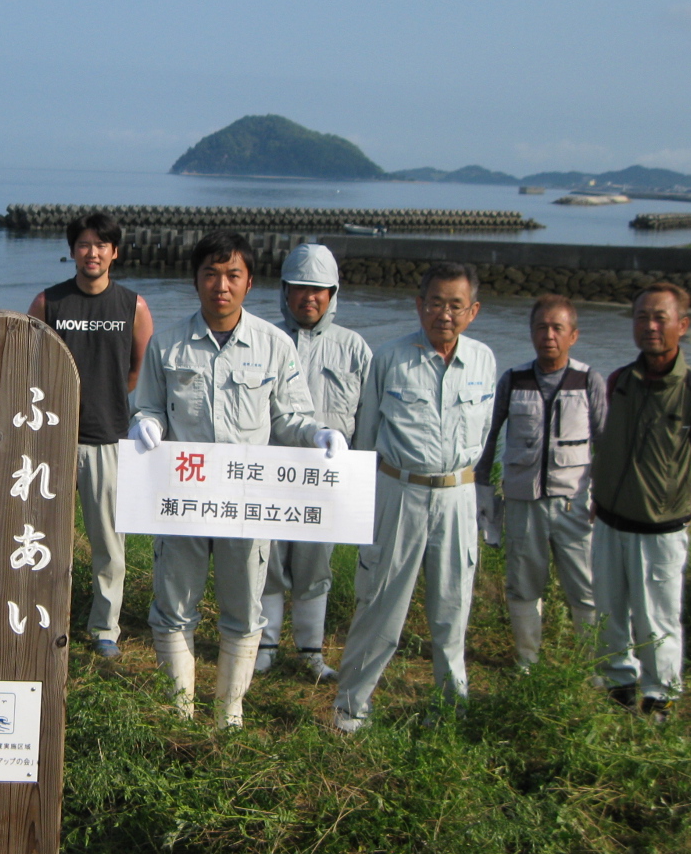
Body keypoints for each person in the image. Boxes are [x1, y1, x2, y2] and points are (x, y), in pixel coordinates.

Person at [130, 230, 346, 728]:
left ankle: (230, 712)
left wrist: (319, 433)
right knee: (173, 606)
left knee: (245, 608)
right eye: (211, 274)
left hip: (246, 500)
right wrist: (148, 424)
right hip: (183, 498)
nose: (220, 286)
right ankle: (179, 712)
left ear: (250, 282)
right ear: (196, 281)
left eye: (232, 275)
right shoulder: (167, 345)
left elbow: (290, 417)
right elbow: (149, 407)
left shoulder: (274, 346)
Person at [332, 262, 496, 734]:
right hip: (399, 493)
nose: (444, 314)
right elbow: (366, 438)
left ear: (473, 311)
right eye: (435, 302)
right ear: (418, 305)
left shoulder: (484, 361)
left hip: (458, 497)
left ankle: (450, 708)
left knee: (452, 610)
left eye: (455, 305)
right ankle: (350, 707)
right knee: (381, 604)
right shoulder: (389, 358)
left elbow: (484, 433)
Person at [591, 282, 691, 723]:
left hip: (661, 531)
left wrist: (682, 514)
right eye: (642, 316)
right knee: (608, 613)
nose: (649, 326)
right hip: (608, 522)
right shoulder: (619, 382)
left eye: (659, 318)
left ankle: (660, 697)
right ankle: (618, 687)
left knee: (657, 620)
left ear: (681, 326)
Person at [29, 210, 153, 658]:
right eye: (84, 244)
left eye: (101, 245)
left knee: (109, 545)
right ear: (72, 252)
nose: (92, 252)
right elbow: (31, 365)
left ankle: (105, 628)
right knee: (42, 539)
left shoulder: (132, 306)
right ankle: (40, 617)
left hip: (107, 440)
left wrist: (109, 400)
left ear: (114, 252)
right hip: (51, 442)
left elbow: (141, 368)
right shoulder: (49, 303)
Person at [258, 243, 371, 681]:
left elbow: (368, 420)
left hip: (325, 484)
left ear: (333, 294)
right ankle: (265, 647)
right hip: (269, 474)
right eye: (300, 288)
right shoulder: (265, 339)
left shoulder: (355, 349)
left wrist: (359, 485)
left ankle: (310, 651)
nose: (309, 297)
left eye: (319, 290)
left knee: (314, 565)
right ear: (284, 291)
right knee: (265, 562)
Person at [475, 295, 606, 666]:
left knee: (586, 589)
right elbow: (489, 434)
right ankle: (527, 662)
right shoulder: (513, 379)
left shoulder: (588, 380)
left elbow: (605, 441)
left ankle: (590, 667)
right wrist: (482, 488)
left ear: (573, 335)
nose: (548, 335)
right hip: (522, 503)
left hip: (574, 504)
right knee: (522, 586)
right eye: (541, 327)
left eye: (557, 328)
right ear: (531, 332)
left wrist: (604, 495)